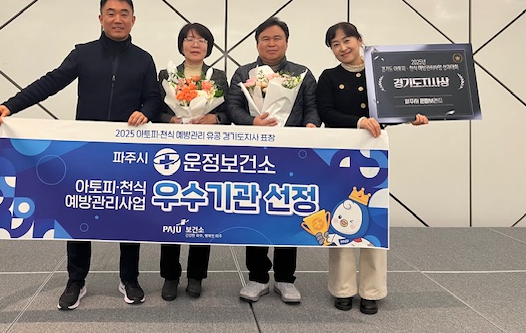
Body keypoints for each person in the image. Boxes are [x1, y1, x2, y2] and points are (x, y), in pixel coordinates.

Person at [0, 0, 162, 309]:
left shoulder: (143, 59)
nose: (117, 19)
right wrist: (11, 105)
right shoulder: (83, 54)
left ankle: (129, 278)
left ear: (133, 20)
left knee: (129, 213)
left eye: (124, 13)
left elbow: (154, 96)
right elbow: (51, 82)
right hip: (85, 151)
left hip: (126, 151)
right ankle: (76, 280)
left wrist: (146, 112)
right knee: (79, 213)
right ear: (100, 18)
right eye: (111, 13)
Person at [316, 21, 428, 315]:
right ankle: (342, 288)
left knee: (374, 220)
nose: (342, 48)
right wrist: (358, 122)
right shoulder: (328, 77)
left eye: (347, 40)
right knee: (341, 217)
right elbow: (326, 112)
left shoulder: (382, 73)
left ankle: (372, 291)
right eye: (335, 44)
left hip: (374, 156)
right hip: (340, 155)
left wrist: (411, 117)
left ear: (359, 40)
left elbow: (393, 109)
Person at [227, 17, 321, 304]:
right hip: (254, 155)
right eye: (265, 38)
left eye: (277, 38)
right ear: (257, 44)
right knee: (255, 211)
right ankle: (257, 277)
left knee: (288, 211)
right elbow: (232, 108)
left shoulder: (303, 74)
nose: (271, 43)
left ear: (286, 42)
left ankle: (285, 278)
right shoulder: (243, 73)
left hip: (292, 155)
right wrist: (252, 121)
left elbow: (312, 107)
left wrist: (311, 125)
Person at [157, 22, 230, 301]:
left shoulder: (218, 76)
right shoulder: (167, 75)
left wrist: (216, 117)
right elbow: (155, 107)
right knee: (171, 211)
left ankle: (196, 275)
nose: (195, 44)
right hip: (172, 153)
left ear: (208, 47)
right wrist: (170, 119)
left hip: (205, 153)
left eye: (201, 40)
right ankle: (170, 275)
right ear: (181, 45)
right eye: (189, 39)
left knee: (201, 211)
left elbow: (229, 110)